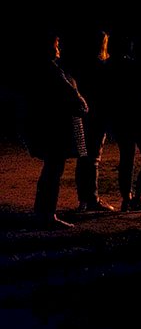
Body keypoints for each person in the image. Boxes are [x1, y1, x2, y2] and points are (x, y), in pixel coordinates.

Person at [27, 33, 88, 229]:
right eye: (56, 44)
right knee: (53, 169)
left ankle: (42, 211)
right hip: (55, 127)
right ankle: (47, 214)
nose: (59, 46)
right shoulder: (51, 71)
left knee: (51, 169)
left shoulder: (48, 69)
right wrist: (81, 103)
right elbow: (69, 93)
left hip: (51, 125)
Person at [107, 33, 141, 213]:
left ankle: (126, 197)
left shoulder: (108, 67)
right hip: (138, 113)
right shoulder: (136, 64)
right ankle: (140, 196)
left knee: (127, 156)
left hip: (118, 115)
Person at [73, 30, 115, 213]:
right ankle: (92, 198)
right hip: (96, 115)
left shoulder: (81, 65)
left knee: (83, 157)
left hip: (81, 116)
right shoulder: (101, 66)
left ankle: (84, 198)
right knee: (93, 158)